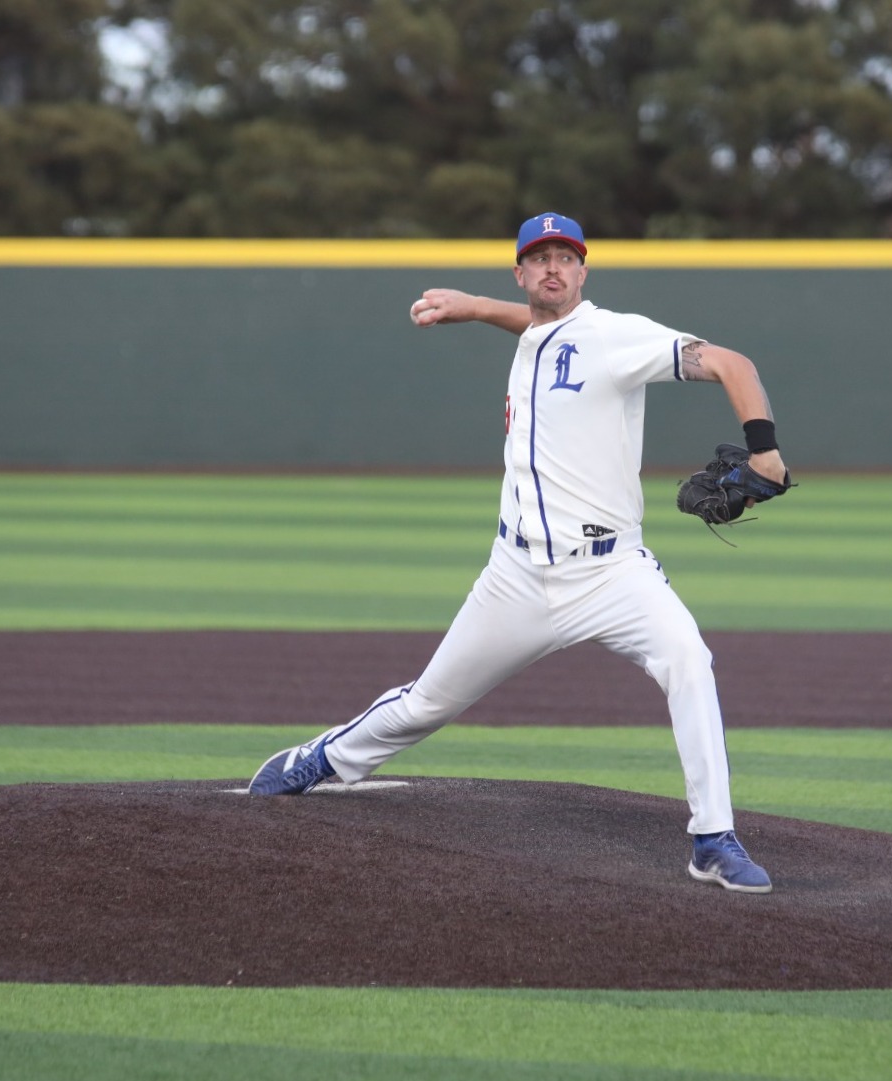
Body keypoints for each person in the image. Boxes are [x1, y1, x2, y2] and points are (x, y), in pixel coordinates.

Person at [248, 212, 790, 894]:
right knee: (426, 704)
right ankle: (327, 756)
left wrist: (764, 450)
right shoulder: (538, 332)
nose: (553, 267)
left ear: (584, 270)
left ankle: (713, 837)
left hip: (612, 572)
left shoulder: (615, 334)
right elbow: (538, 326)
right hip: (517, 577)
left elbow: (730, 362)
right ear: (521, 272)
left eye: (566, 256)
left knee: (689, 659)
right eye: (540, 258)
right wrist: (474, 309)